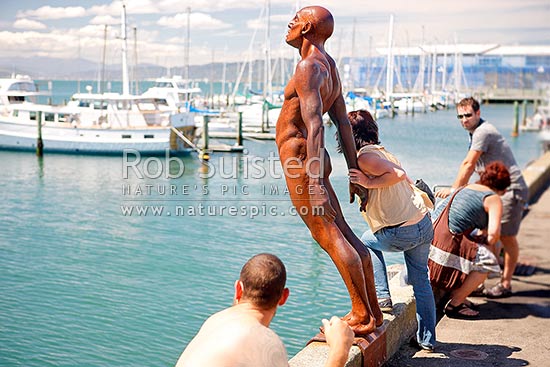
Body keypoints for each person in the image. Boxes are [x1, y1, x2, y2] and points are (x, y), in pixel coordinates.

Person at [275, 6, 382, 334]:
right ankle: (373, 312)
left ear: (306, 27)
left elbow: (315, 124)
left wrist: (317, 184)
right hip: (314, 162)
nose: (290, 25)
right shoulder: (329, 66)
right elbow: (344, 127)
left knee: (328, 234)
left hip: (302, 162)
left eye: (294, 20)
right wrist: (355, 174)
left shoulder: (308, 67)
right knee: (344, 233)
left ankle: (361, 315)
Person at [346, 110, 436, 351]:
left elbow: (398, 175)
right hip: (423, 224)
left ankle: (382, 295)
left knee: (364, 242)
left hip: (403, 230)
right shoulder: (384, 152)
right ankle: (427, 340)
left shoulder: (365, 156)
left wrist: (367, 183)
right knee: (421, 282)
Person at [174, 253, 354, 367]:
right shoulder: (266, 342)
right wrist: (340, 348)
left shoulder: (215, 321)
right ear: (284, 297)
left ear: (238, 289)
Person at [435, 97, 528, 298]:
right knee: (489, 235)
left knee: (506, 237)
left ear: (478, 113)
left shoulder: (483, 132)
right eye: (460, 116)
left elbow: (468, 164)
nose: (464, 120)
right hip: (494, 189)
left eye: (468, 115)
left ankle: (506, 284)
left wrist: (454, 191)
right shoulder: (475, 132)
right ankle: (482, 279)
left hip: (510, 189)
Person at [429, 161, 511, 319]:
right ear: (502, 188)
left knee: (474, 249)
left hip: (430, 242)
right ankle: (455, 305)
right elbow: (494, 236)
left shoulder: (464, 187)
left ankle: (459, 292)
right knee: (487, 261)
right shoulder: (493, 198)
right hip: (445, 246)